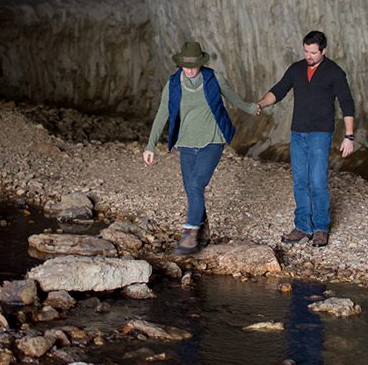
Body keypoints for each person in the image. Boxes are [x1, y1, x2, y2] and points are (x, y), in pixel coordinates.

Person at [143, 40, 259, 255]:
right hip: (186, 143)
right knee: (191, 189)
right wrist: (150, 146)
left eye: (193, 65)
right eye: (185, 65)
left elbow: (234, 99)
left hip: (212, 141)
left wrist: (252, 108)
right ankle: (203, 232)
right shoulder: (174, 84)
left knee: (197, 184)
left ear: (201, 63)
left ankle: (189, 234)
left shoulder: (214, 79)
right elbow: (162, 113)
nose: (189, 70)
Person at [256, 30, 356, 247]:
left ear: (324, 51)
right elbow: (279, 90)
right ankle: (303, 226)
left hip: (320, 133)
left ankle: (320, 228)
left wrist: (349, 136)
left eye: (313, 52)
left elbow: (347, 103)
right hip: (298, 133)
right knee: (300, 181)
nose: (309, 56)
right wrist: (261, 104)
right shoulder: (296, 69)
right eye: (306, 52)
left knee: (317, 181)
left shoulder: (334, 72)